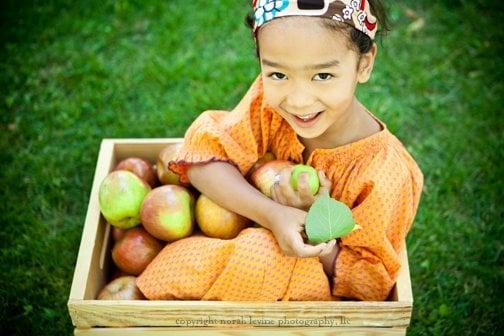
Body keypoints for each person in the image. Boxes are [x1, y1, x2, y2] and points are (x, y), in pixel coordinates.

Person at [137, 0, 424, 301]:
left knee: (261, 253)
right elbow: (203, 158)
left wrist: (314, 223)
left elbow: (368, 286)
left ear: (363, 65)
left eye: (323, 76)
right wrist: (273, 214)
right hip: (238, 237)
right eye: (278, 75)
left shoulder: (384, 175)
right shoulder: (268, 106)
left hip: (312, 291)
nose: (298, 101)